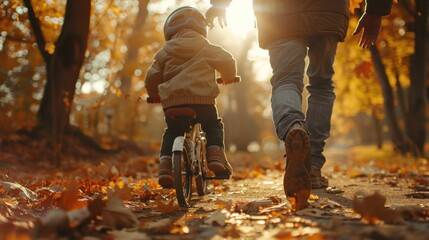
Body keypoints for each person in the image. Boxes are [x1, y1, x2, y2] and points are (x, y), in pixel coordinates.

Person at [206, 0, 392, 209]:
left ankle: (293, 125)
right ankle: (312, 166)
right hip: (328, 11)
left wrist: (221, 4)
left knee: (286, 80)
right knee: (321, 86)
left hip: (278, 12)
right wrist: (376, 9)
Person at [145, 6, 237, 189]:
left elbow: (152, 76)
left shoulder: (164, 52)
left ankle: (165, 167)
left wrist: (153, 94)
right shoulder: (206, 46)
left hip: (173, 104)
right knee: (213, 124)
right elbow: (227, 60)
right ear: (202, 28)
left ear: (170, 30)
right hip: (203, 101)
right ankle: (215, 155)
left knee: (172, 132)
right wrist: (228, 75)